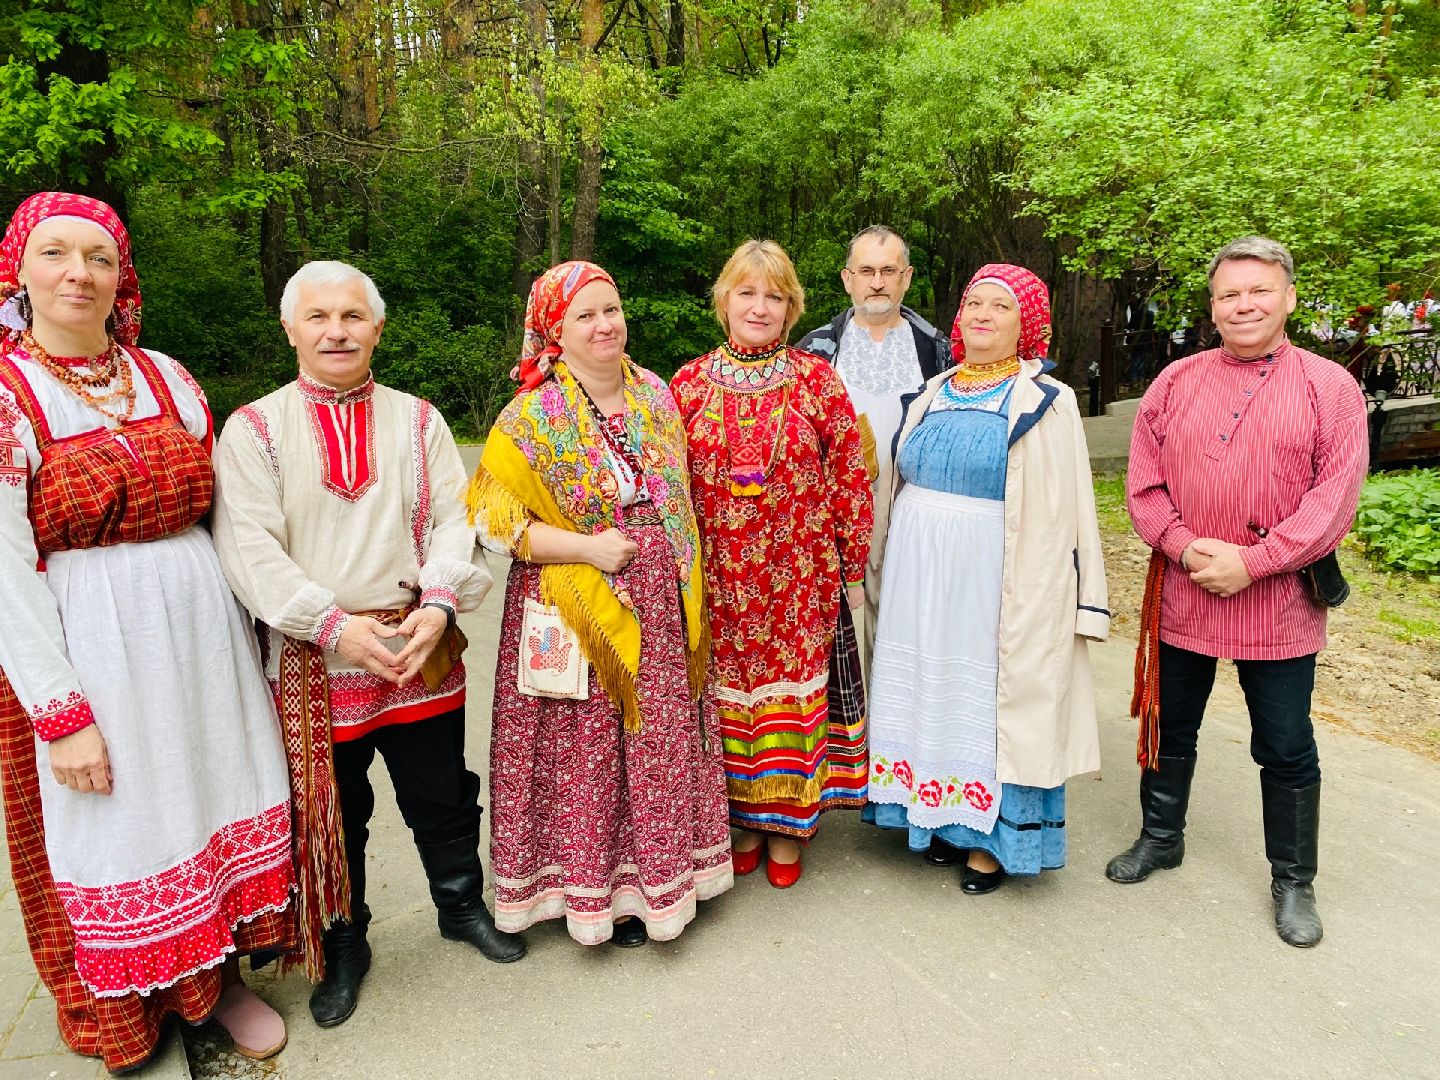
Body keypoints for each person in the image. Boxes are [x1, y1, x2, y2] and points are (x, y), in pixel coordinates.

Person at [0, 192, 294, 1071]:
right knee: (126, 820)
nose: (78, 273)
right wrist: (62, 713)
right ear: (18, 271)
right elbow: (4, 569)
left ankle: (219, 982)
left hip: (200, 641)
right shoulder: (7, 397)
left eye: (97, 257)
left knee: (204, 796)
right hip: (92, 649)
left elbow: (225, 519)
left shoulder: (168, 377)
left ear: (121, 276)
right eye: (55, 254)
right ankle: (139, 1010)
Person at [211, 260, 522, 1031]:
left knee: (440, 792)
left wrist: (442, 603)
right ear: (290, 329)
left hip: (417, 642)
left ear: (377, 328)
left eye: (353, 316)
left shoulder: (418, 419)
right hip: (316, 659)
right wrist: (334, 625)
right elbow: (250, 549)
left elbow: (458, 518)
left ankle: (460, 906)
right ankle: (345, 944)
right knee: (333, 812)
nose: (336, 330)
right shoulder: (253, 429)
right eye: (318, 317)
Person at [467, 260, 732, 946]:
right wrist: (586, 551)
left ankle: (653, 888)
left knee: (652, 746)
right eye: (584, 315)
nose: (603, 325)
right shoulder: (529, 415)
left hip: (661, 606)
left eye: (610, 309)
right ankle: (586, 894)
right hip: (575, 599)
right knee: (584, 753)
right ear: (554, 330)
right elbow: (494, 523)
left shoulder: (655, 394)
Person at [1113, 236, 1368, 948]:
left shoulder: (1330, 388)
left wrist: (1255, 563)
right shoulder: (1174, 381)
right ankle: (1161, 838)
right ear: (1213, 304)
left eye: (1259, 290)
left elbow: (1333, 500)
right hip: (1187, 587)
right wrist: (1183, 545)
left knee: (1285, 746)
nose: (1244, 304)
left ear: (1288, 296)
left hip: (1279, 600)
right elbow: (1144, 484)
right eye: (1229, 294)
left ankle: (1293, 881)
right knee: (1171, 729)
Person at [862, 263, 1110, 894]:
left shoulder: (1046, 403)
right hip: (921, 573)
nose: (981, 315)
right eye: (974, 302)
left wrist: (1086, 602)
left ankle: (991, 842)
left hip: (994, 577)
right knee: (928, 685)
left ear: (1026, 324)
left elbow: (1075, 508)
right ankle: (938, 821)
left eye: (1000, 306)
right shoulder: (933, 391)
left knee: (989, 699)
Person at [671, 240, 873, 887]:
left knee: (790, 706)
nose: (760, 307)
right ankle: (744, 824)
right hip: (722, 584)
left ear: (792, 308)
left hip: (797, 581)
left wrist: (853, 560)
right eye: (747, 292)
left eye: (775, 295)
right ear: (723, 301)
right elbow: (667, 487)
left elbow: (849, 473)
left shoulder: (817, 381)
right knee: (730, 706)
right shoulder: (687, 384)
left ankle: (787, 831)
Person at [794, 226, 950, 668]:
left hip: (910, 512)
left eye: (888, 270)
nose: (877, 282)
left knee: (907, 632)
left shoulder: (937, 350)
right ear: (848, 279)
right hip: (836, 517)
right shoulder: (815, 352)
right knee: (844, 638)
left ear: (907, 277)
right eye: (866, 271)